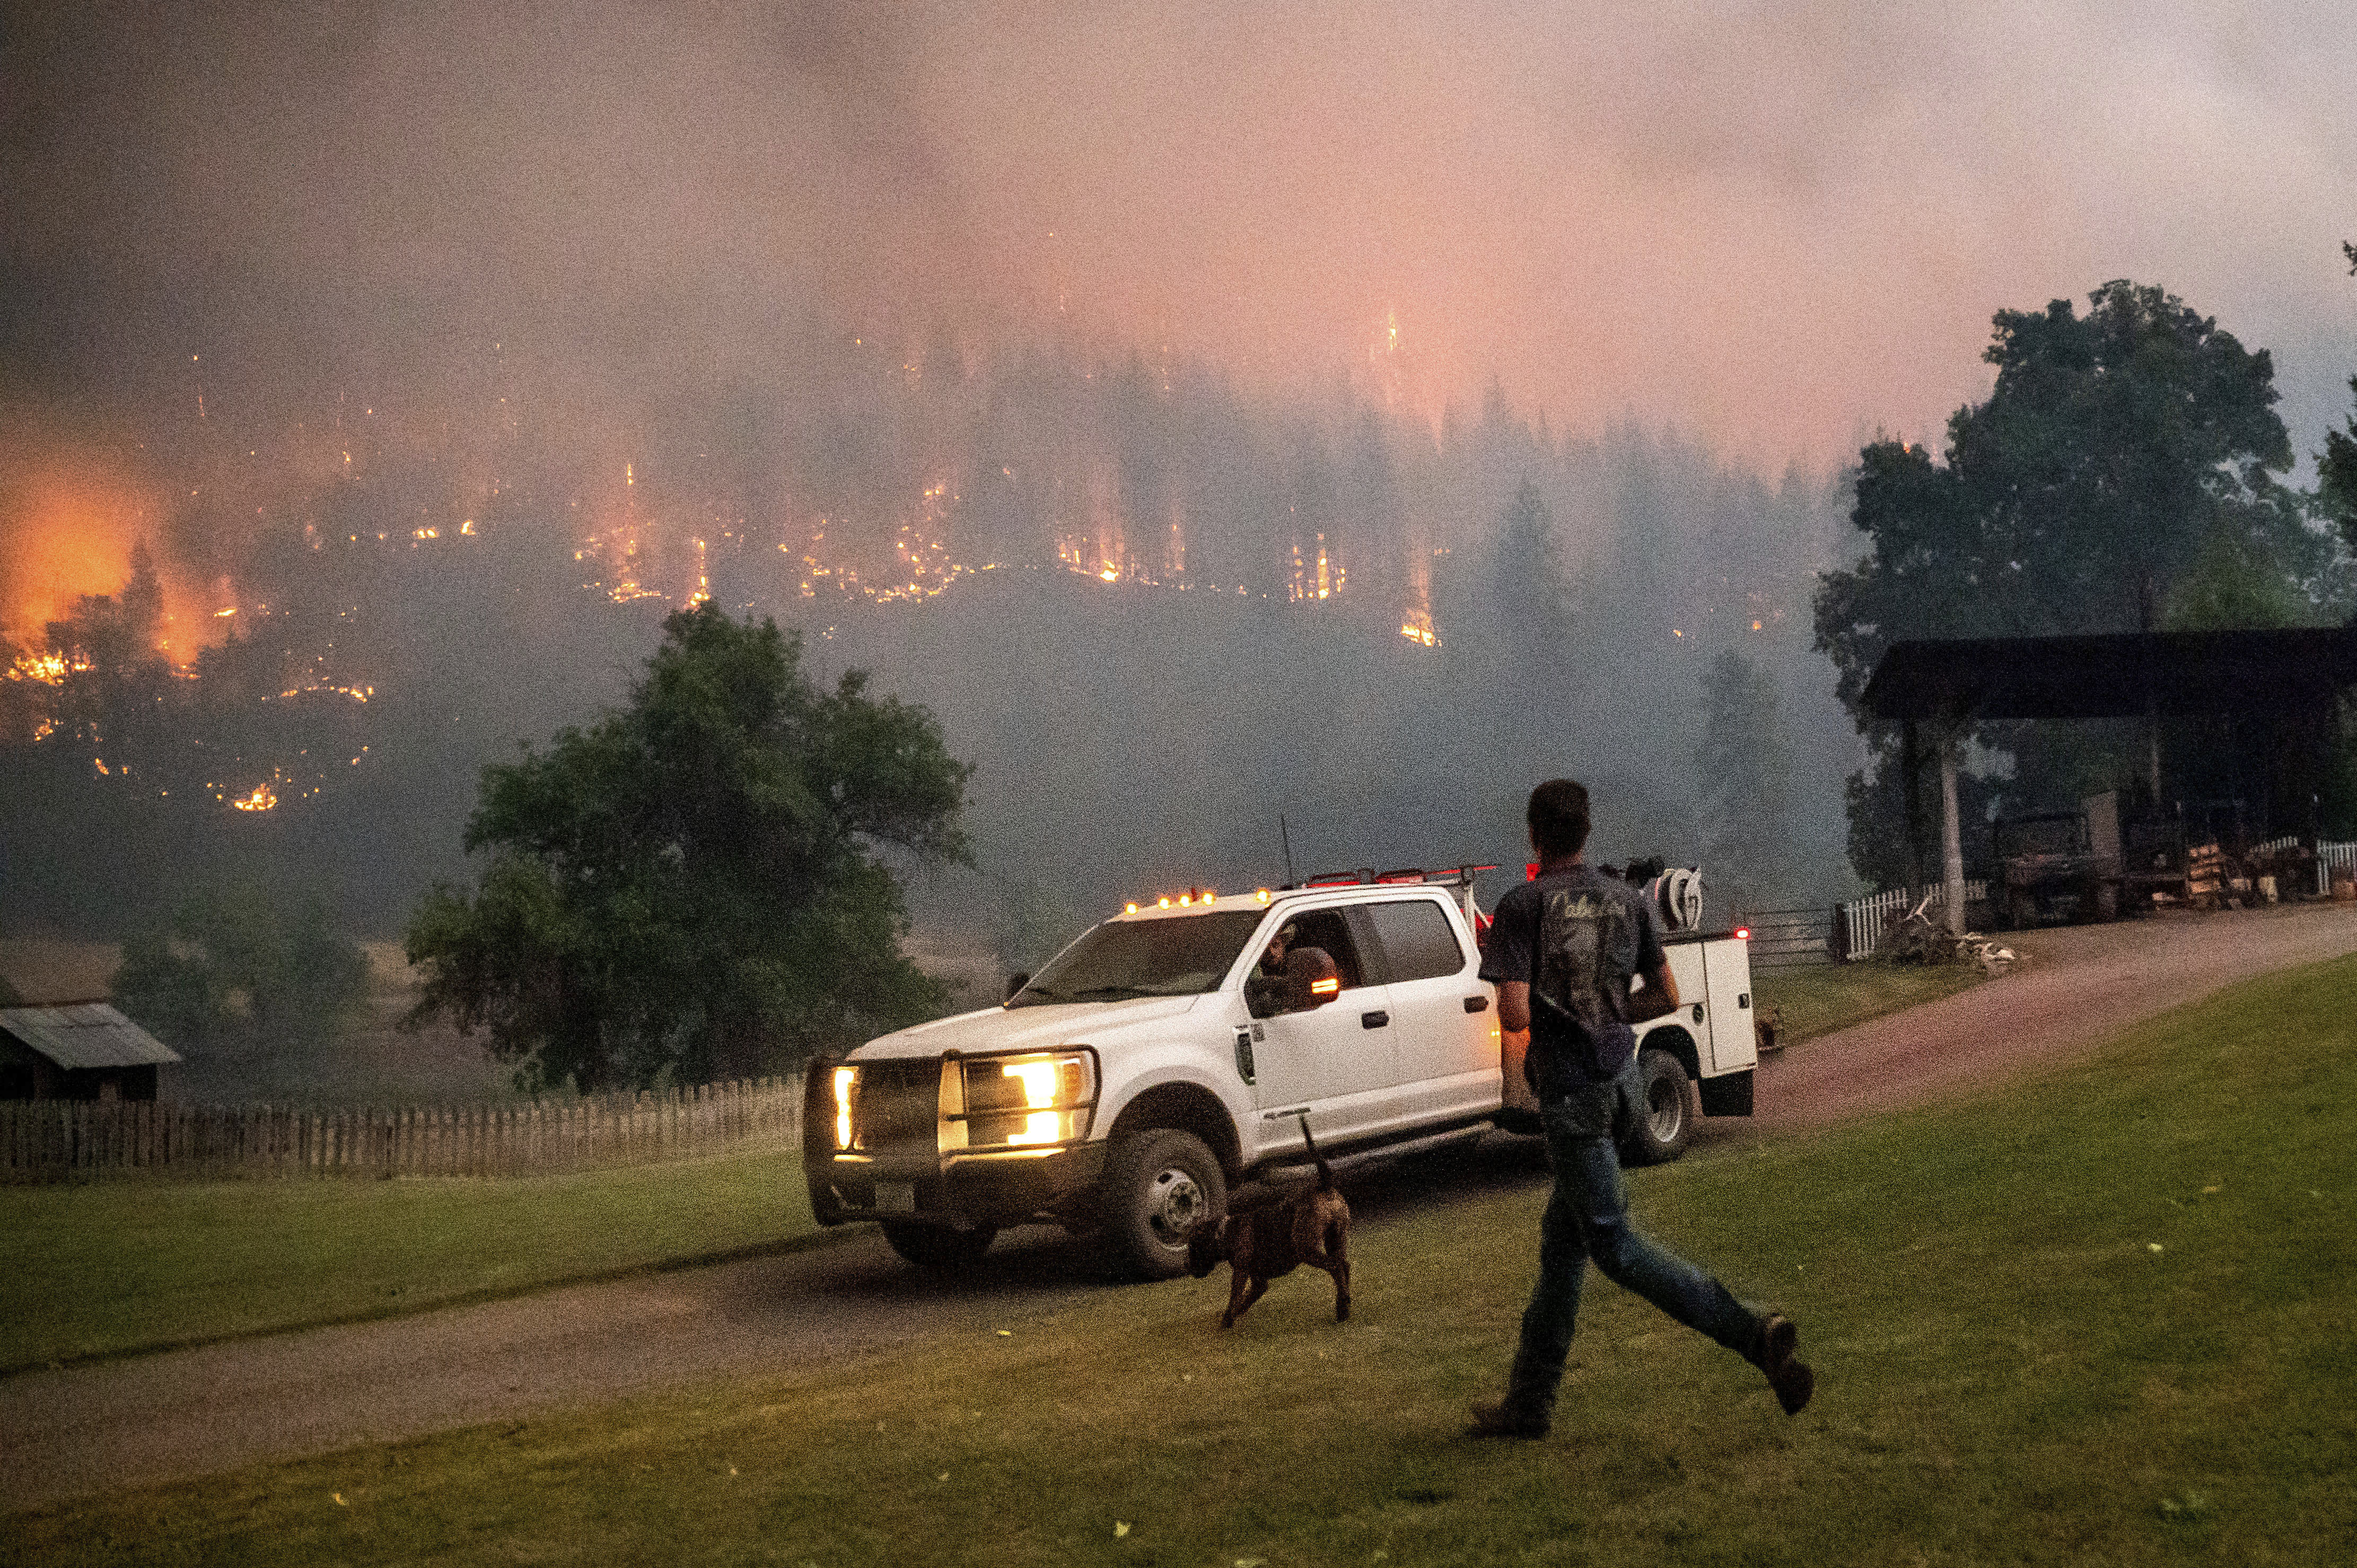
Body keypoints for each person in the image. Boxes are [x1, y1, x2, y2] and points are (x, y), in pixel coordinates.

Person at [1468, 778, 1812, 1439]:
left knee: (1615, 1247)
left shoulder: (1522, 905)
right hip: (1623, 1085)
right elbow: (1666, 994)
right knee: (1562, 1247)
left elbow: (1513, 1012)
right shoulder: (1628, 900)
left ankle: (1752, 1333)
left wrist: (1558, 1019)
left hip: (1571, 1096)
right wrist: (1603, 1011)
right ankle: (1527, 1406)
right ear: (1586, 831)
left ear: (1533, 835)